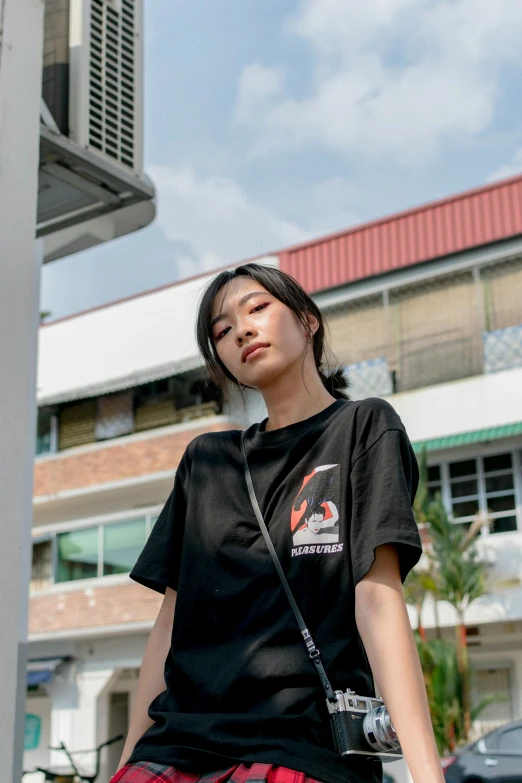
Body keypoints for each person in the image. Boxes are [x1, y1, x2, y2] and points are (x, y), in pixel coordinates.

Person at [110, 264, 444, 783]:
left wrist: (427, 776)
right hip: (177, 750)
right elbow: (169, 624)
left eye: (258, 308)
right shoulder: (206, 460)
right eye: (221, 331)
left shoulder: (363, 427)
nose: (240, 330)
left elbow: (377, 599)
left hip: (298, 748)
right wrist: (128, 761)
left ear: (308, 320)